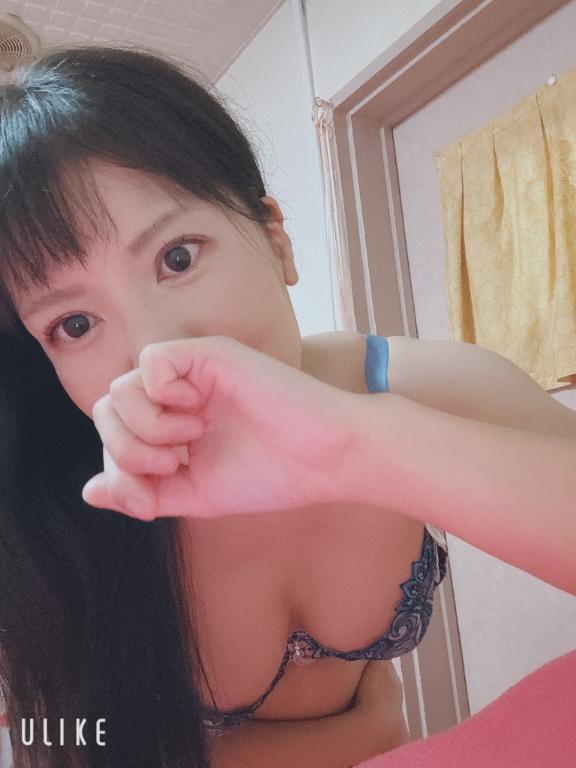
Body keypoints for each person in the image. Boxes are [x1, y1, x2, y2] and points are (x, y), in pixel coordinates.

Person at [0, 42, 573, 768]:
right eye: (75, 324)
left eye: (178, 257)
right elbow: (53, 740)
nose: (155, 353)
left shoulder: (423, 388)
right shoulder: (49, 514)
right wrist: (360, 733)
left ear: (276, 238)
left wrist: (355, 444)